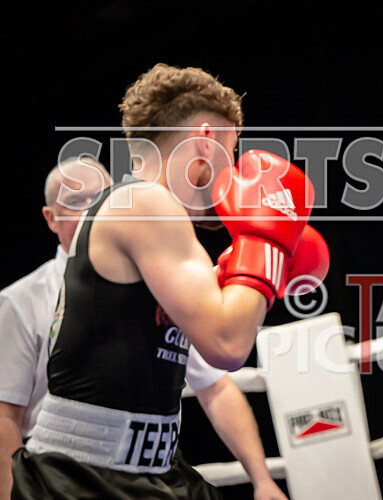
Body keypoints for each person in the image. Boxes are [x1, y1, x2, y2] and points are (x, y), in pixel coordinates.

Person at [12, 64, 328, 499]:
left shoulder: (154, 216)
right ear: (204, 140)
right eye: (230, 154)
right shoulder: (145, 204)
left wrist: (240, 269)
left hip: (149, 471)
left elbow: (209, 339)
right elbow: (228, 345)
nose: (229, 175)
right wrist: (267, 245)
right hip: (85, 478)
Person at [0, 158, 287, 500]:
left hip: (153, 473)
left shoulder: (158, 280)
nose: (92, 209)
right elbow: (5, 415)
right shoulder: (21, 301)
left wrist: (262, 479)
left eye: (101, 197)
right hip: (66, 474)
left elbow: (215, 387)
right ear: (50, 218)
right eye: (76, 201)